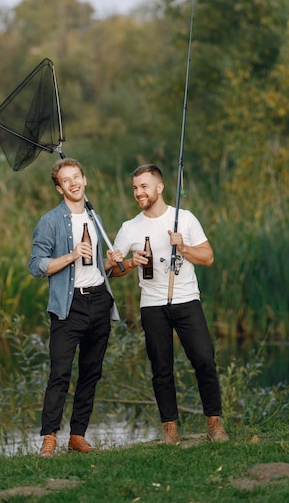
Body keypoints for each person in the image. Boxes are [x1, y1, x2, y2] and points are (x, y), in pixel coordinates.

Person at [105, 164, 228, 444]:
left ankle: (215, 424)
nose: (138, 193)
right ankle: (170, 430)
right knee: (161, 368)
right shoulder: (130, 228)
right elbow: (112, 270)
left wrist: (183, 247)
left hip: (186, 300)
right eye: (135, 188)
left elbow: (208, 257)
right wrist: (125, 262)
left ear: (159, 188)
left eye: (144, 186)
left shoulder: (183, 218)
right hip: (152, 304)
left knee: (205, 360)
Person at [29, 158, 119, 457]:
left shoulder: (96, 218)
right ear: (59, 188)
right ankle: (49, 437)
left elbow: (98, 267)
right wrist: (69, 255)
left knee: (91, 372)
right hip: (69, 306)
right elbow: (36, 266)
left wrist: (114, 260)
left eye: (77, 176)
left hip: (99, 300)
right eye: (66, 180)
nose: (73, 183)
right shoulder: (50, 221)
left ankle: (77, 435)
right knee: (60, 373)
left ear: (85, 180)